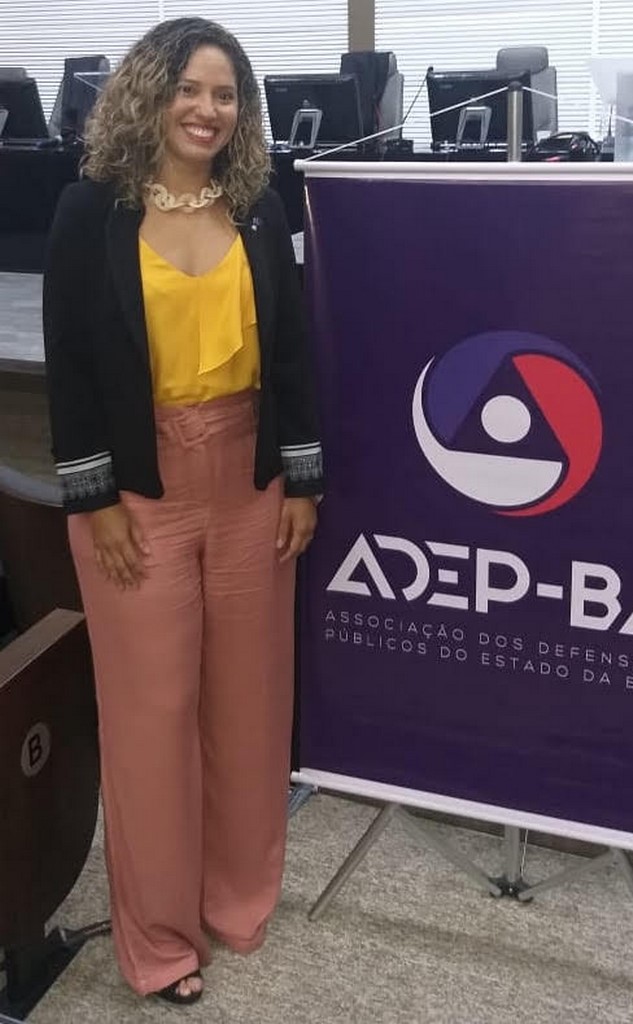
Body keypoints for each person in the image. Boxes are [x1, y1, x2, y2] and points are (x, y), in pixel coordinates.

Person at [43, 17, 322, 1005]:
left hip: (250, 483)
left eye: (226, 94)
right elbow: (72, 364)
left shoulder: (258, 206)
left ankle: (235, 897)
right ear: (150, 94)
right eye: (189, 89)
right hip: (138, 489)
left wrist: (301, 480)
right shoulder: (90, 210)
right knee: (151, 720)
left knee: (250, 707)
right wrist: (96, 500)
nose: (208, 110)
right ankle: (159, 941)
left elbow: (293, 350)